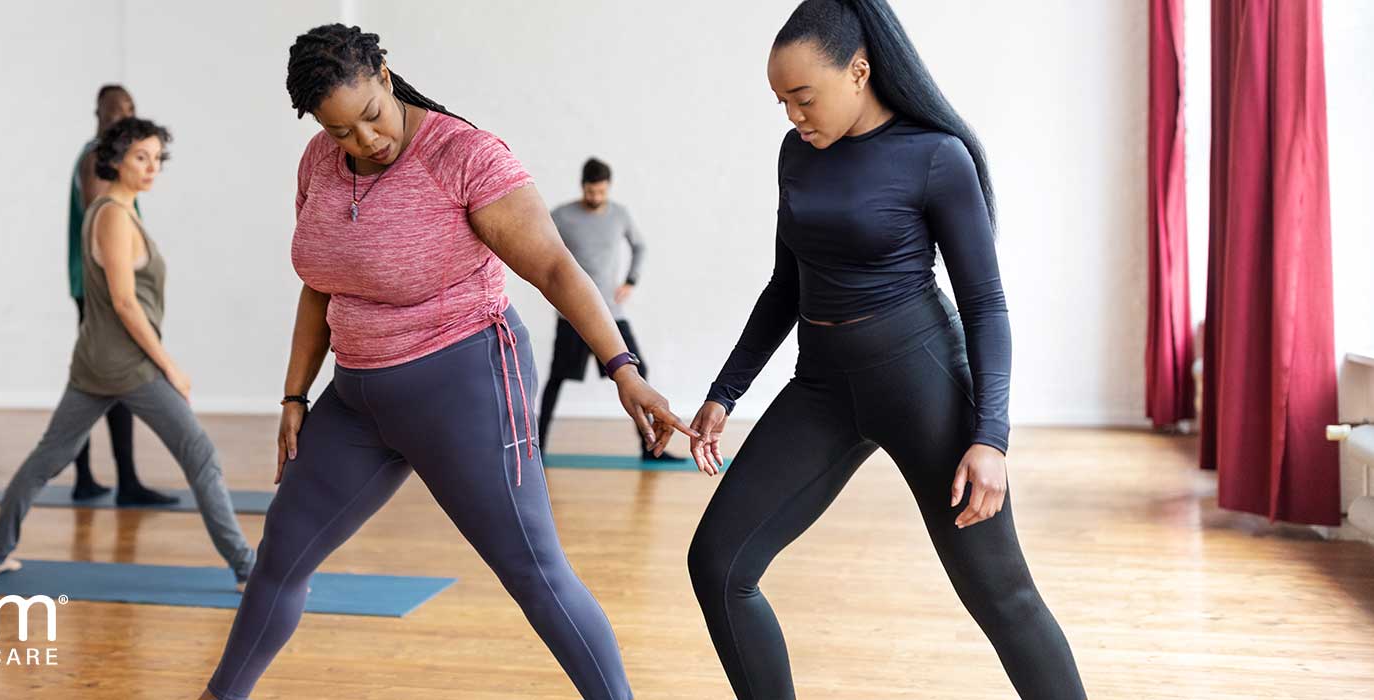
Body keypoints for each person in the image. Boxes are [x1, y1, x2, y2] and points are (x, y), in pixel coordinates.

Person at [201, 24, 693, 700]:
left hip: (465, 385)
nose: (365, 141)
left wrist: (623, 368)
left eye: (371, 115)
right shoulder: (318, 162)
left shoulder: (463, 156)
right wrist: (294, 397)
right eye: (341, 131)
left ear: (384, 72)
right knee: (279, 560)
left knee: (534, 573)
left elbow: (554, 266)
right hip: (357, 401)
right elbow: (321, 280)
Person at [683, 2, 1086, 698]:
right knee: (717, 563)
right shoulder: (796, 157)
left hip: (921, 382)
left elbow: (986, 304)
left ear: (859, 71)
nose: (792, 117)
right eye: (781, 102)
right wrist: (726, 391)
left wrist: (991, 437)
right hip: (821, 388)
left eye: (803, 97)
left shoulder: (934, 156)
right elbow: (787, 283)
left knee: (1001, 597)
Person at [0, 117, 255, 590]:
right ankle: (249, 569)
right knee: (201, 455)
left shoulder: (119, 212)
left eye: (156, 158)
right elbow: (125, 302)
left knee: (49, 458)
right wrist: (170, 367)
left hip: (95, 362)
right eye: (140, 157)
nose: (151, 168)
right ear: (116, 160)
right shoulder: (110, 214)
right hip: (125, 365)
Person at [66, 84, 176, 505]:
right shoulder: (101, 161)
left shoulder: (115, 165)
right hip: (99, 288)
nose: (122, 116)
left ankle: (102, 478)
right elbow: (103, 221)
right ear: (98, 113)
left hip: (107, 285)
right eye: (114, 110)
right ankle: (111, 479)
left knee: (100, 380)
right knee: (110, 378)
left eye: (129, 109)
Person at [538, 158, 680, 461]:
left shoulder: (619, 215)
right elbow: (541, 252)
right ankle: (537, 446)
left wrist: (631, 280)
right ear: (583, 187)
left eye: (601, 192)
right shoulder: (562, 216)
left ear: (608, 188)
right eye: (591, 192)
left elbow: (640, 246)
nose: (596, 197)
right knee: (556, 378)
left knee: (637, 373)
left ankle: (650, 448)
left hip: (610, 312)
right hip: (572, 314)